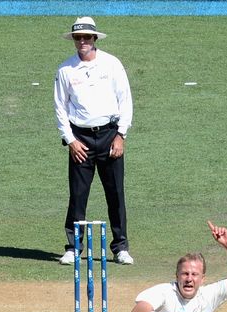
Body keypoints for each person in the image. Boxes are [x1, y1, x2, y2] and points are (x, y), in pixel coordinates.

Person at [54, 16, 134, 265]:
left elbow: (126, 101)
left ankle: (120, 247)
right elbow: (60, 107)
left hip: (110, 135)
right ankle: (73, 247)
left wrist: (121, 135)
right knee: (78, 195)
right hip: (81, 139)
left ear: (95, 39)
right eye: (78, 38)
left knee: (115, 194)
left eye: (86, 37)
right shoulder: (65, 70)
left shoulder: (112, 64)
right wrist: (70, 141)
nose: (82, 42)